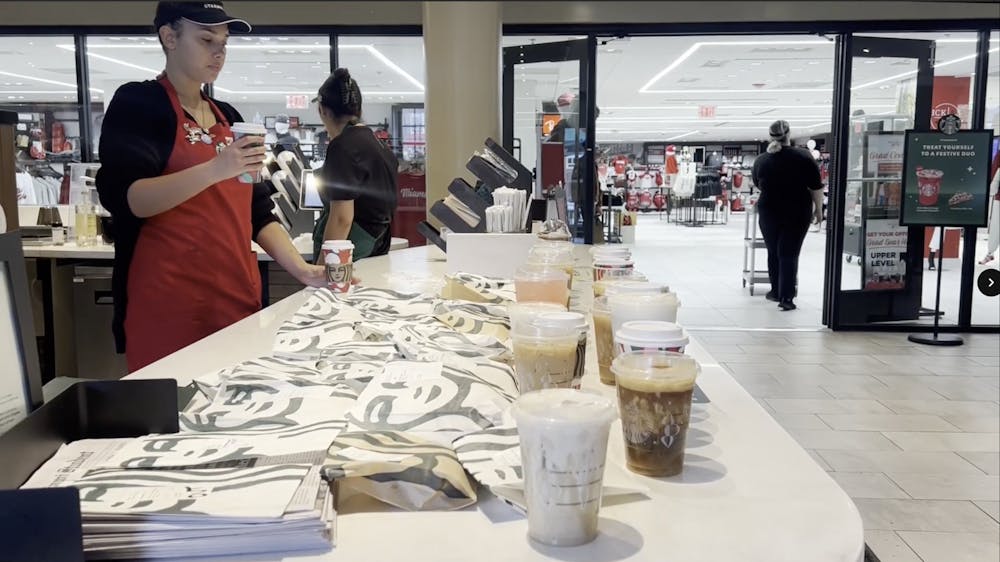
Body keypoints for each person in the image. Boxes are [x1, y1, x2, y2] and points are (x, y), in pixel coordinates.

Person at [96, 1, 325, 372]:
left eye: (224, 42)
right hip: (167, 305)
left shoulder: (230, 118)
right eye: (206, 40)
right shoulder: (138, 103)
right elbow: (130, 198)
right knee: (174, 419)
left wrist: (302, 270)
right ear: (169, 37)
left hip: (234, 300)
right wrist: (215, 169)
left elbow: (258, 212)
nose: (219, 52)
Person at [311, 68, 399, 260]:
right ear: (358, 110)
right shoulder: (378, 144)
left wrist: (322, 267)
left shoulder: (342, 146)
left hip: (351, 246)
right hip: (378, 242)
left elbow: (342, 219)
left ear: (322, 111)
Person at [751, 120, 824, 311]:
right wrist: (818, 209)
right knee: (789, 253)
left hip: (769, 210)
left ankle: (775, 291)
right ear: (789, 135)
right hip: (797, 209)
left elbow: (758, 184)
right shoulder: (803, 156)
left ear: (770, 137)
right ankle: (787, 297)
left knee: (773, 251)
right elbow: (816, 186)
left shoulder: (761, 160)